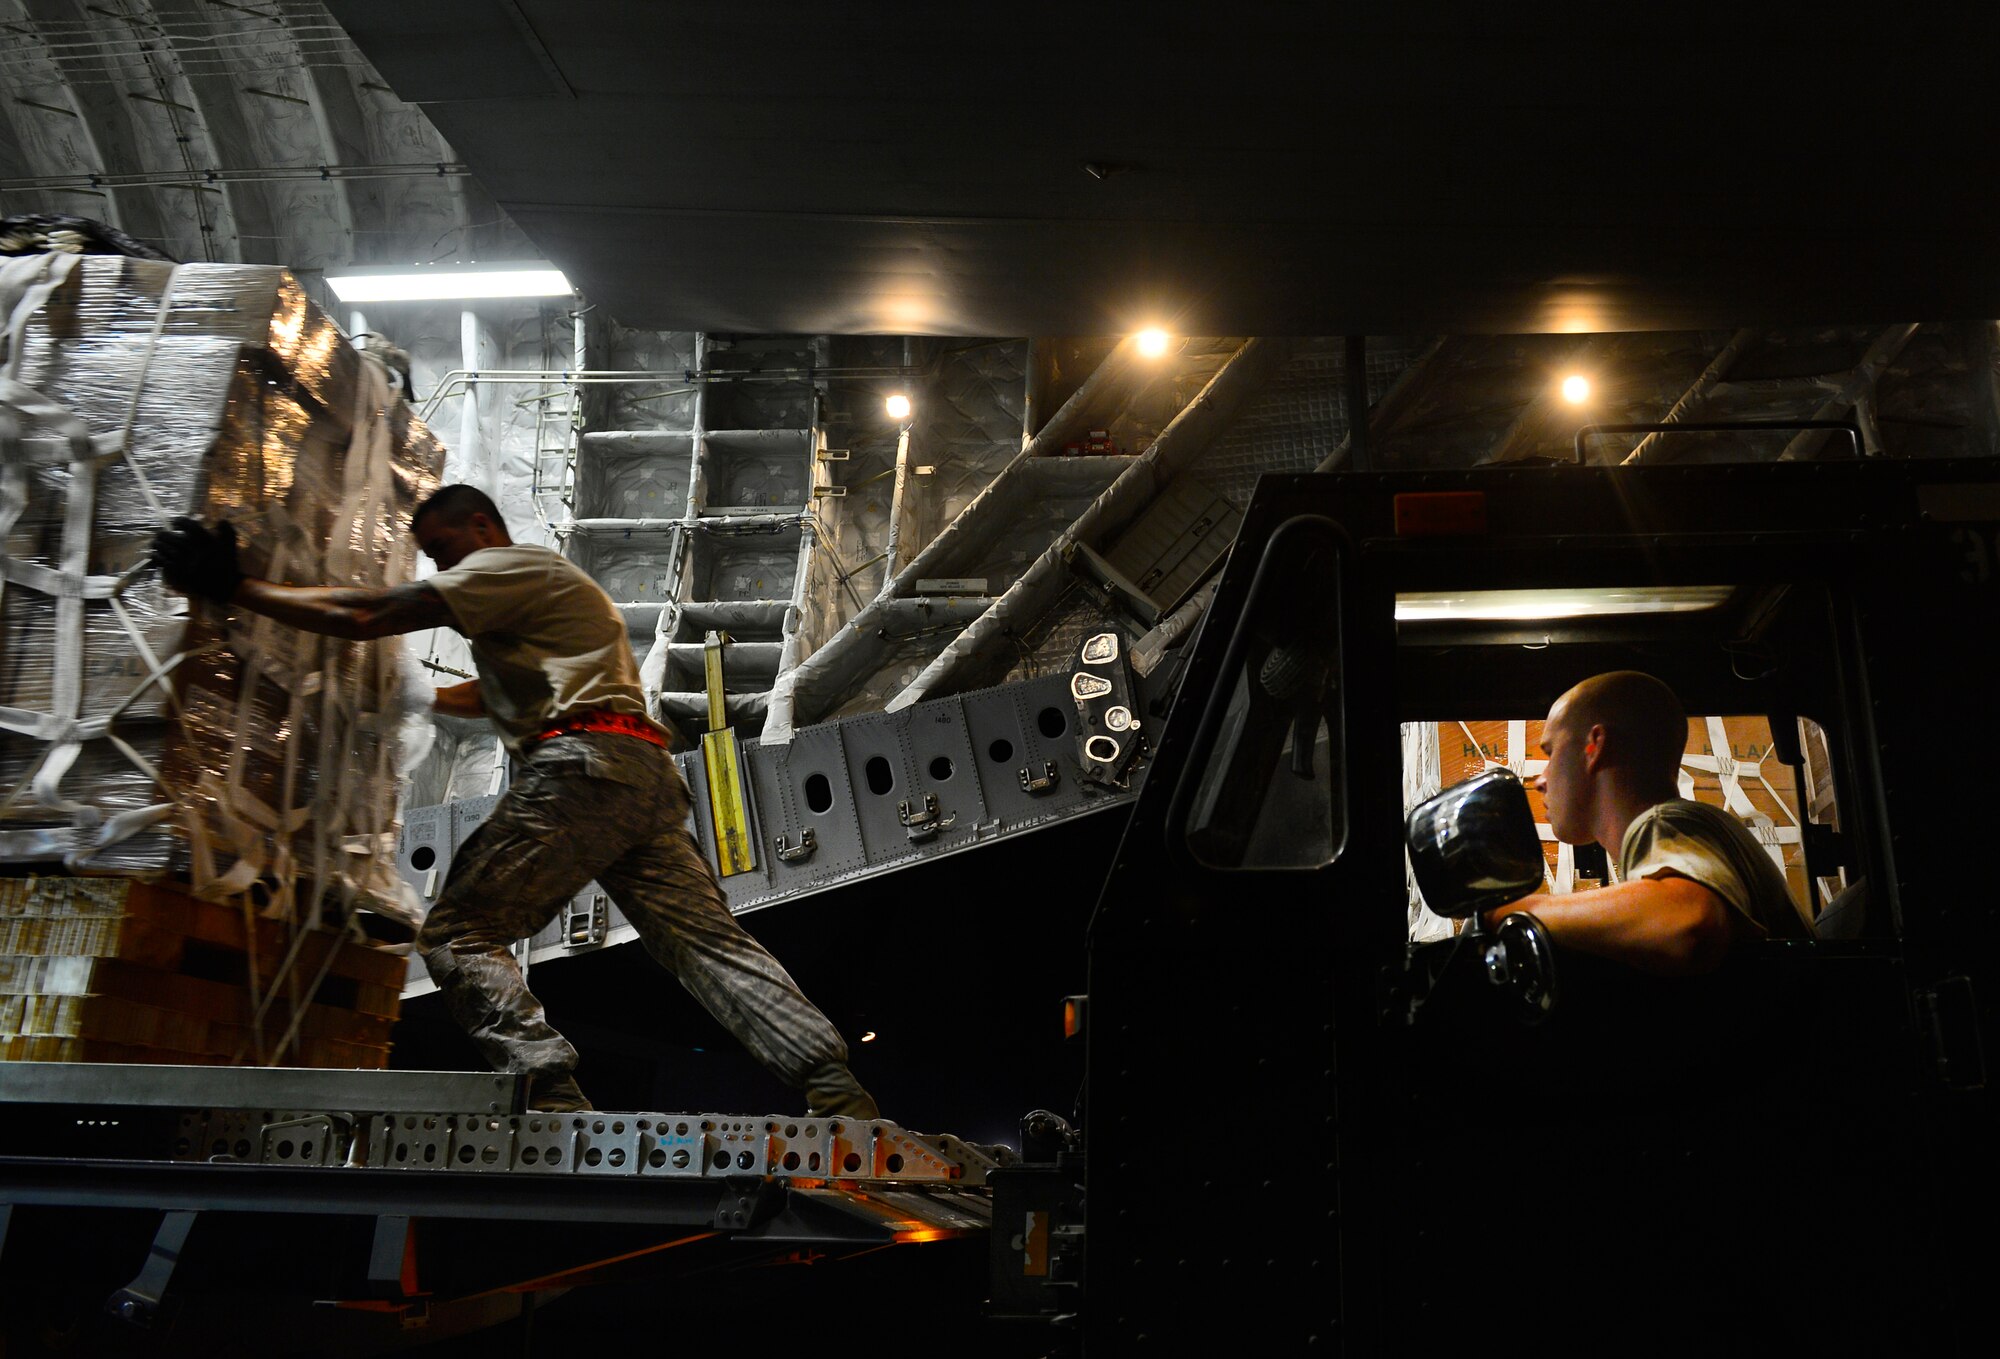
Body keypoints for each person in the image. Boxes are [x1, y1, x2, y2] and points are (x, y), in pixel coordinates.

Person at [153, 486, 879, 1117]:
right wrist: (424, 697)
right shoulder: (549, 599)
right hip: (641, 776)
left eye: (442, 548)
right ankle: (835, 1085)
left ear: (480, 527)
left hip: (582, 768)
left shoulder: (507, 565)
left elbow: (370, 613)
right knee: (704, 944)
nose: (442, 567)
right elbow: (499, 692)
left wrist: (238, 589)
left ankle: (545, 1086)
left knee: (457, 933)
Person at [1487, 670, 1813, 974]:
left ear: (1594, 746)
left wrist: (1515, 911)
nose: (1540, 779)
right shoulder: (1701, 826)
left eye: (1550, 752)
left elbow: (1688, 923)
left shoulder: (1666, 823)